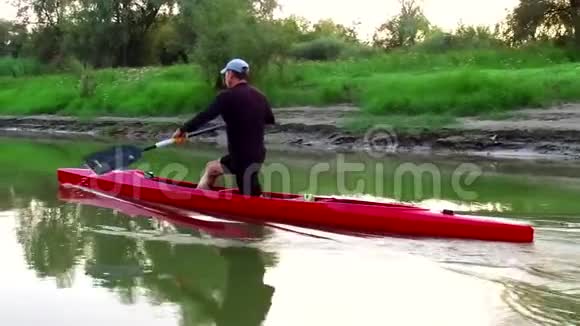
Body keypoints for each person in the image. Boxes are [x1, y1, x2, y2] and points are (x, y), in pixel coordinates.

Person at [173, 58, 275, 196]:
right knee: (212, 168)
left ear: (230, 74)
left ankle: (196, 202)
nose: (225, 77)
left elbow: (205, 116)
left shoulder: (226, 96)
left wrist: (183, 129)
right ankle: (201, 199)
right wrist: (241, 120)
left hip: (241, 158)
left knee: (250, 196)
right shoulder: (260, 96)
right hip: (257, 154)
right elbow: (269, 120)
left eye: (225, 74)